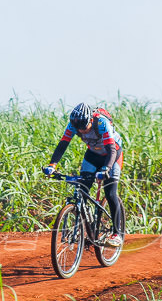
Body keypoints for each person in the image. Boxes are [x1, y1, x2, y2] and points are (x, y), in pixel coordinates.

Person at [43, 103, 125, 246]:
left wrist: (106, 169)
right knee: (82, 187)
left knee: (110, 192)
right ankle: (83, 227)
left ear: (91, 121)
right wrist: (52, 165)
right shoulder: (73, 125)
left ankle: (117, 233)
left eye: (84, 128)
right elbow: (63, 145)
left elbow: (111, 149)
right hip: (93, 155)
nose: (83, 132)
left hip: (112, 155)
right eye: (79, 129)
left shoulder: (101, 122)